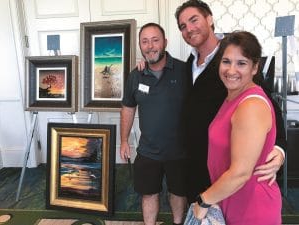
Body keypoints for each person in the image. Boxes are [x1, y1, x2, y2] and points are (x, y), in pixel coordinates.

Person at [175, 0, 286, 204]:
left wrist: (279, 148)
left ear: (209, 19)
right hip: (195, 165)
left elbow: (267, 103)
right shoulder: (189, 63)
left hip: (226, 170)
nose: (189, 29)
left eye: (194, 20)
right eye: (183, 26)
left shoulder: (232, 58)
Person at [192, 30, 281, 224]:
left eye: (241, 63)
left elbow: (240, 172)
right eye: (226, 61)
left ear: (255, 68)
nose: (231, 70)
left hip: (252, 207)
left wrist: (203, 201)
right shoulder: (231, 97)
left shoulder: (251, 105)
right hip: (228, 199)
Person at [120, 23, 188, 225]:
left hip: (180, 151)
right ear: (140, 46)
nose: (150, 46)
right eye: (145, 41)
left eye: (155, 40)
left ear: (165, 42)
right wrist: (124, 140)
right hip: (148, 151)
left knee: (178, 193)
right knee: (149, 194)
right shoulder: (135, 75)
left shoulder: (184, 71)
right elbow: (128, 108)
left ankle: (178, 223)